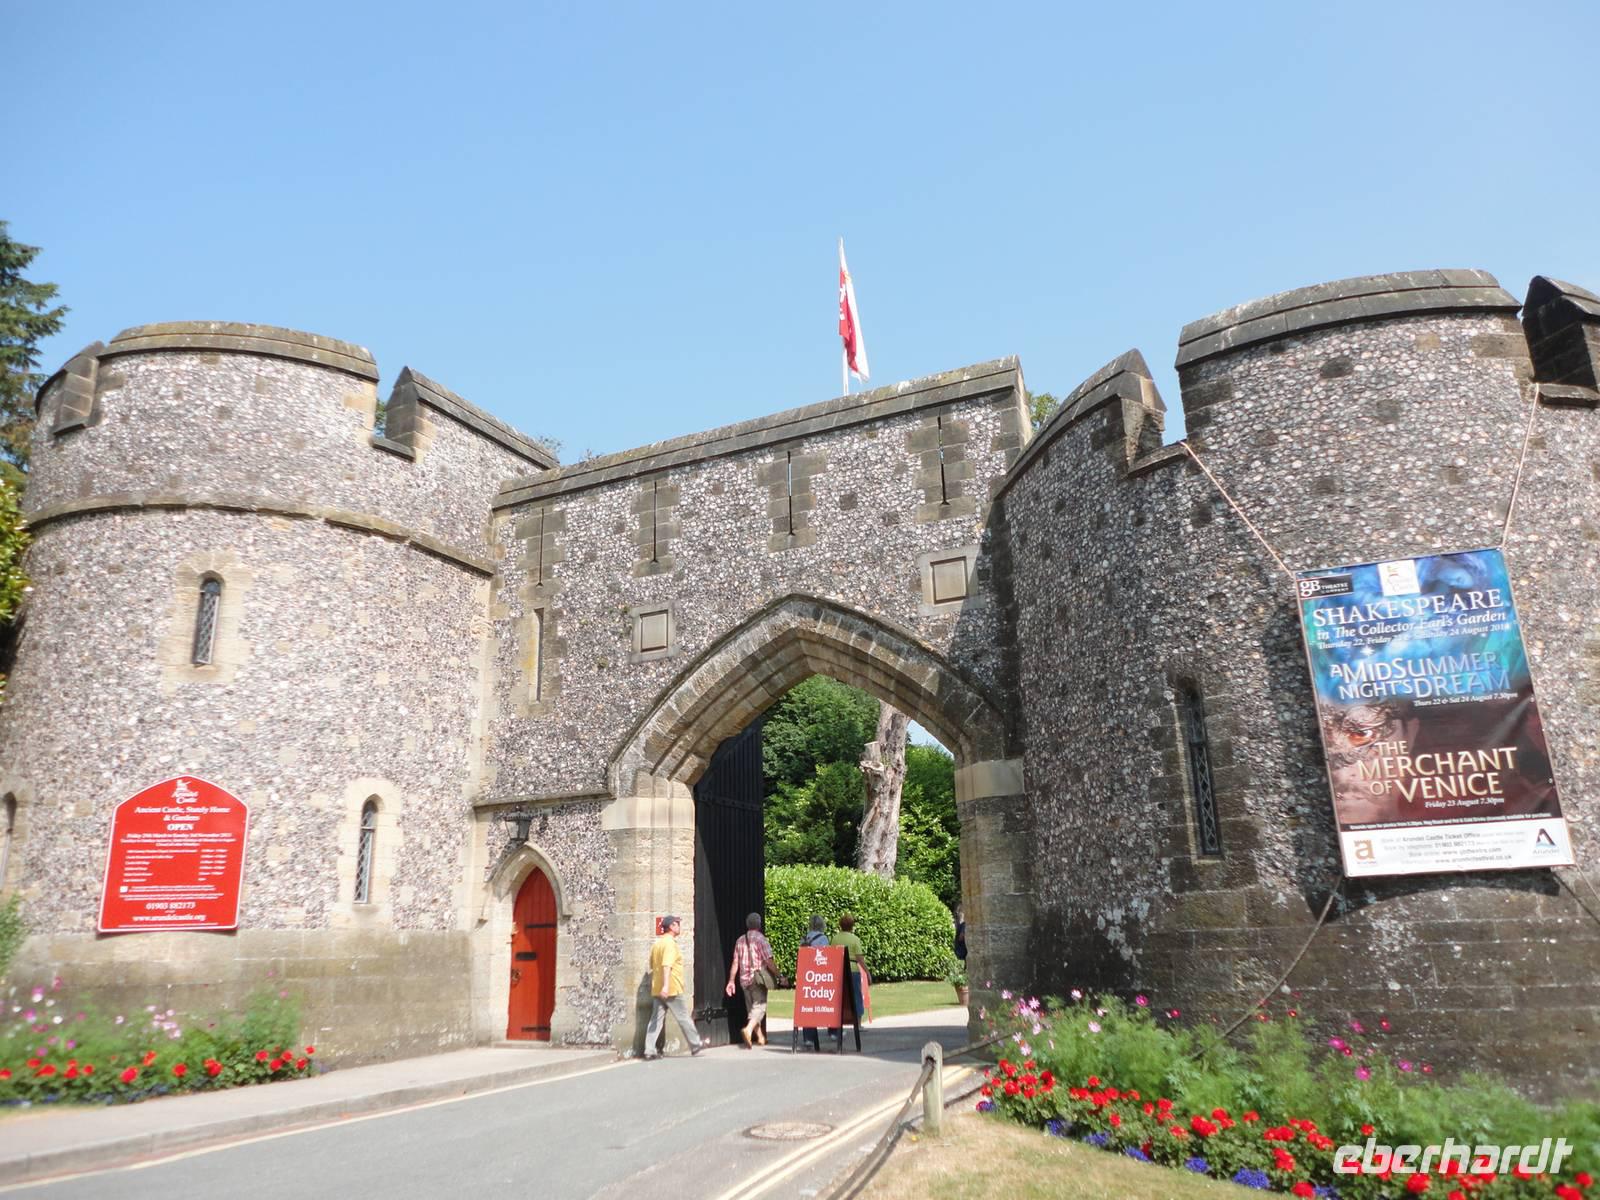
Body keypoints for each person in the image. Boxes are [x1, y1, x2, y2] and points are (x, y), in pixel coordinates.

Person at [644, 914, 703, 1059]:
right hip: (671, 988)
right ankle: (696, 1044)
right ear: (671, 926)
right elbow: (666, 965)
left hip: (657, 988)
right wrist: (666, 986)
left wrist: (661, 986)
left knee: (655, 1021)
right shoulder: (670, 944)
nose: (679, 926)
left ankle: (649, 1049)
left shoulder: (657, 944)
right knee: (683, 1017)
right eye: (677, 924)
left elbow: (652, 965)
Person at [725, 911, 780, 1048]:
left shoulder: (740, 940)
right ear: (759, 924)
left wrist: (731, 981)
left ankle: (760, 1037)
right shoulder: (761, 939)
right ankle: (748, 1030)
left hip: (743, 980)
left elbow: (735, 963)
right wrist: (779, 975)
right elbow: (768, 961)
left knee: (752, 1010)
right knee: (760, 1007)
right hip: (757, 979)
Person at [830, 912, 866, 1051]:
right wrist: (867, 972)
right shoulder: (855, 939)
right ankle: (858, 1022)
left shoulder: (835, 938)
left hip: (839, 969)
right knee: (856, 995)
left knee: (840, 997)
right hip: (852, 969)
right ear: (852, 925)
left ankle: (839, 1021)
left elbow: (832, 954)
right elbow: (859, 958)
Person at [798, 914, 828, 1051]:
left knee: (807, 1006)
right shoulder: (823, 939)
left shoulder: (805, 938)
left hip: (807, 976)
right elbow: (827, 957)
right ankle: (833, 1030)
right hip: (820, 976)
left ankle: (808, 1038)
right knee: (826, 1003)